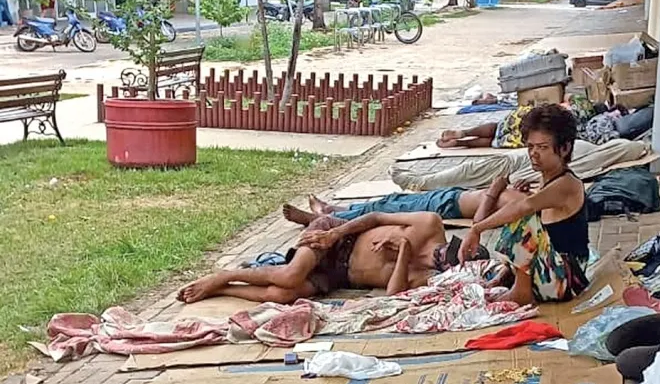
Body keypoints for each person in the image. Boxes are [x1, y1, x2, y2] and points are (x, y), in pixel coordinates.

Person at [177, 211, 490, 305]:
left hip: (339, 276)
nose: (433, 256)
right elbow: (376, 216)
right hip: (338, 238)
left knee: (282, 295)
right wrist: (334, 235)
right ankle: (222, 274)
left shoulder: (425, 275)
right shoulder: (429, 224)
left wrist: (406, 251)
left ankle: (224, 288)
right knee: (289, 276)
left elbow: (395, 294)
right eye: (442, 250)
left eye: (440, 260)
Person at [458, 104, 590, 306]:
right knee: (522, 212)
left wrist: (477, 229)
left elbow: (525, 207)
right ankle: (511, 278)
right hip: (552, 273)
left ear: (565, 148)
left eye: (543, 147)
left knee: (523, 216)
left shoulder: (567, 183)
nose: (534, 153)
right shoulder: (546, 180)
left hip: (568, 279)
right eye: (531, 147)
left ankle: (521, 292)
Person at [281, 180, 529, 228]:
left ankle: (320, 219)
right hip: (448, 197)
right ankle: (334, 210)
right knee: (389, 201)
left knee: (382, 210)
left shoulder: (525, 210)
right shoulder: (528, 202)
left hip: (444, 207)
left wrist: (495, 191)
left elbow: (480, 222)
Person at [437, 104, 533, 149]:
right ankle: (459, 143)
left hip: (528, 117)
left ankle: (463, 133)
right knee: (494, 141)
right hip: (535, 132)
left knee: (498, 127)